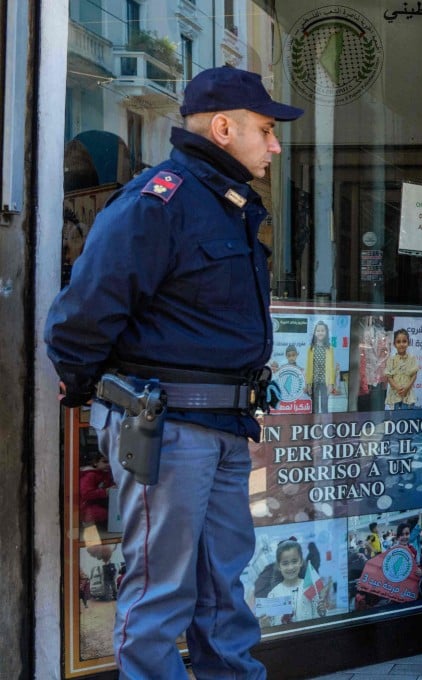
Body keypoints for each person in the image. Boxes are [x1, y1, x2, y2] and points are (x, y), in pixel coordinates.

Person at [44, 66, 303, 678]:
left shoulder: (227, 204)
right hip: (168, 427)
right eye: (266, 130)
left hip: (224, 426)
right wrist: (85, 385)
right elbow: (84, 311)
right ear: (223, 129)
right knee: (159, 592)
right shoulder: (159, 201)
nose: (274, 145)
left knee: (223, 590)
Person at [260, 539, 328, 628]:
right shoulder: (274, 594)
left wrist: (322, 612)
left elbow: (317, 616)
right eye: (285, 563)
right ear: (279, 566)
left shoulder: (309, 587)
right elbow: (272, 623)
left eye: (294, 561)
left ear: (301, 562)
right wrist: (265, 625)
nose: (290, 567)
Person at [305, 320, 336, 413]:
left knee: (324, 405)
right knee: (314, 406)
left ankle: (324, 421)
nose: (320, 332)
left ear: (326, 332)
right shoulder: (311, 349)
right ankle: (314, 421)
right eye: (318, 330)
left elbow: (332, 367)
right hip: (314, 381)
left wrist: (331, 384)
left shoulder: (330, 349)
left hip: (325, 382)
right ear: (315, 333)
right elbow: (308, 367)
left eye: (322, 330)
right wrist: (308, 383)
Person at [385, 328, 420, 409]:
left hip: (408, 392)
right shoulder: (391, 360)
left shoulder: (412, 359)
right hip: (395, 392)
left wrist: (407, 388)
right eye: (398, 342)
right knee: (396, 414)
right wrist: (397, 388)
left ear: (408, 343)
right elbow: (389, 376)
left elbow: (414, 375)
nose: (401, 344)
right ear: (394, 344)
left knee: (407, 413)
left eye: (404, 341)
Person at [79, 452, 115, 526]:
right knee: (103, 513)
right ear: (95, 463)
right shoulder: (90, 475)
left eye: (110, 462)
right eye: (105, 462)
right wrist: (105, 492)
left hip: (100, 504)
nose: (108, 465)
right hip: (87, 506)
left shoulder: (106, 475)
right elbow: (86, 494)